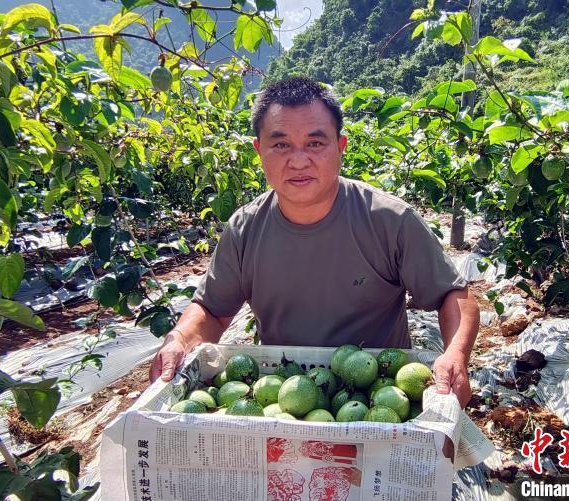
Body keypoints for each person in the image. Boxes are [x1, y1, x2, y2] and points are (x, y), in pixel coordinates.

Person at [149, 77, 479, 407]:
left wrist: (455, 355)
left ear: (340, 146)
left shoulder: (389, 220)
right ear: (259, 150)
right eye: (280, 145)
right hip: (283, 395)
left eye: (315, 144)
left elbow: (454, 294)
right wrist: (179, 340)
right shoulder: (244, 229)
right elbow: (212, 310)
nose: (298, 160)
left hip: (376, 396)